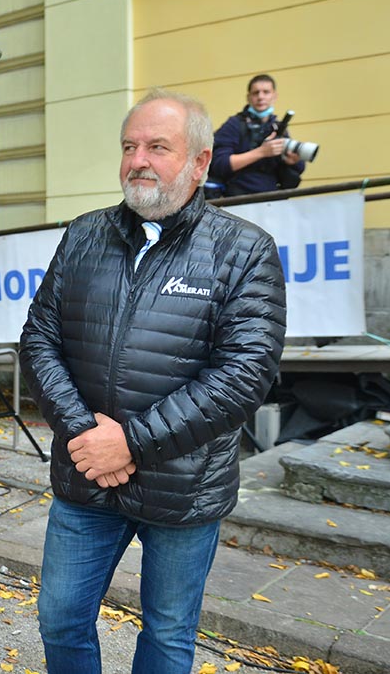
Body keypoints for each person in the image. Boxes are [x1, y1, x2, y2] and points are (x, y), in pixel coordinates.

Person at [19, 89, 287, 674]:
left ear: (200, 161)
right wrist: (84, 433)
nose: (138, 160)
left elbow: (244, 375)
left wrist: (132, 443)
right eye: (129, 146)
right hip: (87, 475)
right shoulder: (84, 235)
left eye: (158, 147)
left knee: (167, 636)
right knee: (60, 619)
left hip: (184, 488)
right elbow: (39, 339)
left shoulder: (244, 250)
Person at [207, 74, 305, 197]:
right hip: (237, 199)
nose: (260, 97)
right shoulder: (234, 124)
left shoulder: (277, 127)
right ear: (248, 97)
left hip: (272, 198)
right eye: (255, 93)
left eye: (266, 92)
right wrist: (262, 152)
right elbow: (219, 164)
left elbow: (298, 169)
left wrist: (293, 161)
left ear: (274, 96)